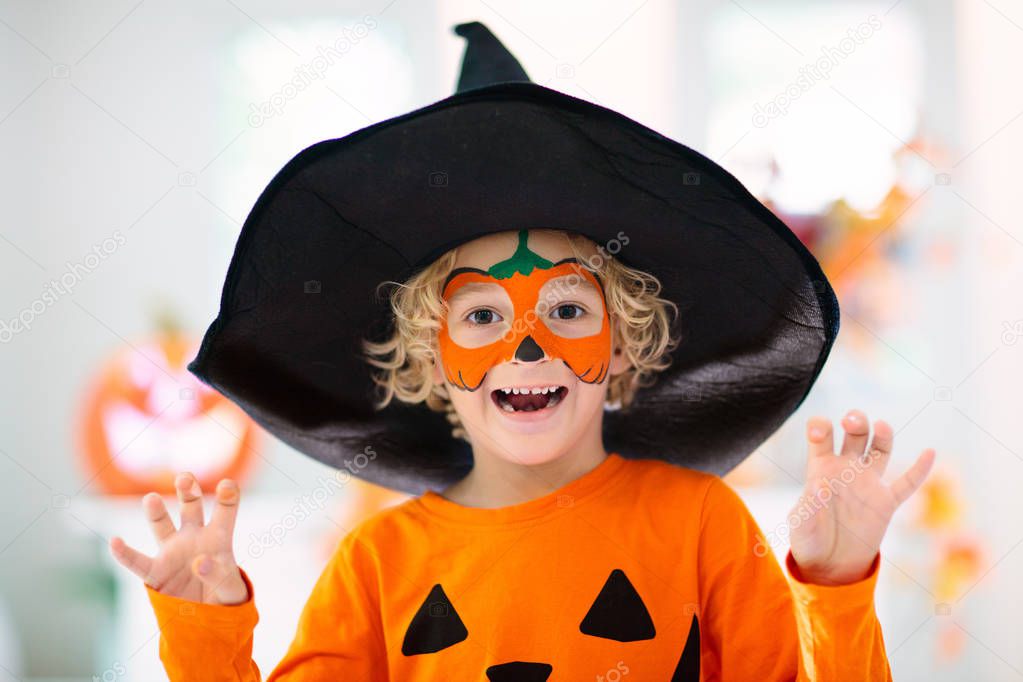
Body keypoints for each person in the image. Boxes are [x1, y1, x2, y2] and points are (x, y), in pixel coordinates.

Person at [109, 22, 935, 681]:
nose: (529, 344)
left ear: (623, 344)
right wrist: (205, 631)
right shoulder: (379, 563)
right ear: (429, 359)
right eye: (479, 318)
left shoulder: (698, 527)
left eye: (568, 308)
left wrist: (834, 584)